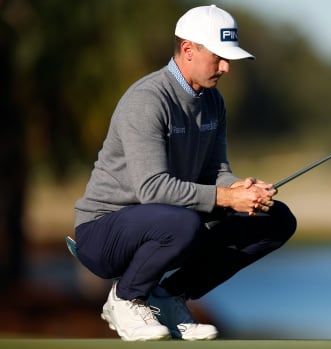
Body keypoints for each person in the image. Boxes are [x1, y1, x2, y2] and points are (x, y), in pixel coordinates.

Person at [73, 5, 296, 341]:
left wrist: (240, 189)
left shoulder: (213, 102)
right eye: (219, 57)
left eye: (228, 58)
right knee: (183, 222)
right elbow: (152, 189)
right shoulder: (148, 99)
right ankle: (125, 298)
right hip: (105, 231)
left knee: (276, 220)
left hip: (168, 224)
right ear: (188, 50)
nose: (226, 67)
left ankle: (167, 296)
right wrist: (225, 197)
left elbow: (214, 171)